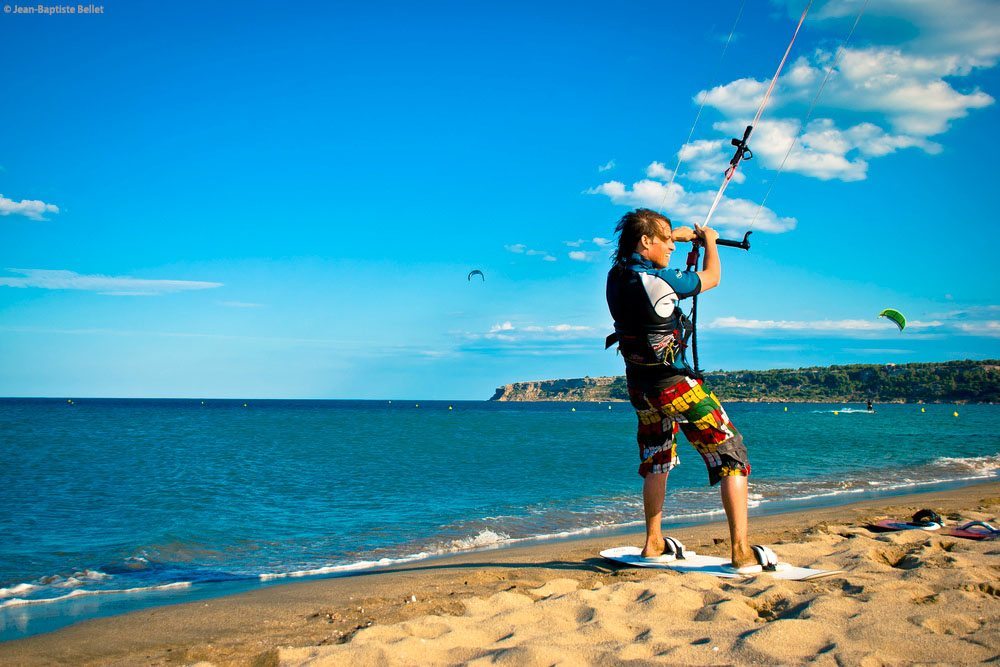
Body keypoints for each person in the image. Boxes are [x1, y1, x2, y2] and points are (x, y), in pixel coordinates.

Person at [606, 208, 763, 571]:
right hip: (676, 388)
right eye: (665, 240)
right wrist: (710, 242)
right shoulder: (661, 282)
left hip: (639, 388)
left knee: (657, 458)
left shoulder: (616, 276)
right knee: (731, 455)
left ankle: (653, 542)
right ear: (646, 242)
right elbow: (712, 278)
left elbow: (649, 251)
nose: (672, 248)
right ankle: (740, 551)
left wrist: (674, 235)